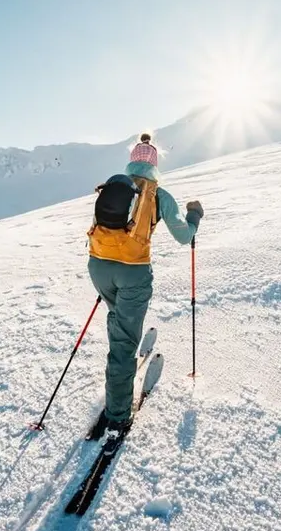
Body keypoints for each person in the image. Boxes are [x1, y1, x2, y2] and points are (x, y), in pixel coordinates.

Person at [87, 132, 203, 447]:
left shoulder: (114, 187)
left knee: (119, 320)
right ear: (154, 165)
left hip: (98, 266)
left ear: (132, 162)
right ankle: (118, 416)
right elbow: (184, 236)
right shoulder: (158, 194)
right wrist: (194, 216)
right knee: (123, 345)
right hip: (132, 273)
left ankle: (119, 352)